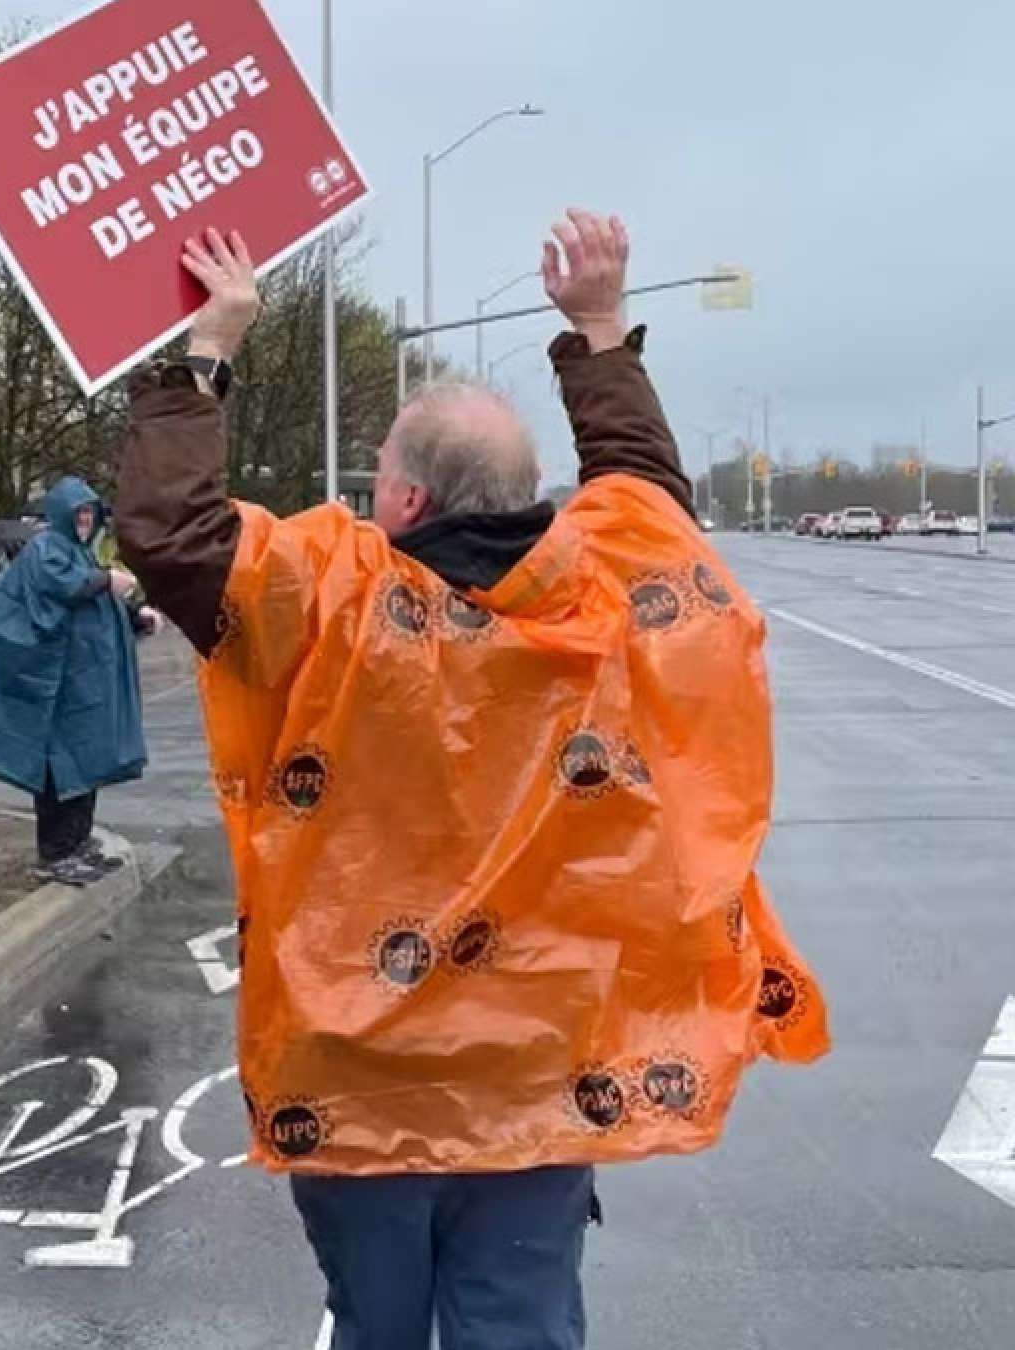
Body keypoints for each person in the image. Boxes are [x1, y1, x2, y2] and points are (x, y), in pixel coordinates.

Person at [115, 214, 830, 1349]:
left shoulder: (330, 608)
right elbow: (646, 490)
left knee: (377, 1325)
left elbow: (171, 533)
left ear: (403, 503)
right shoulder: (609, 600)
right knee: (523, 1326)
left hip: (353, 1080)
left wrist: (208, 349)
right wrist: (596, 329)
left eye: (380, 474)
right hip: (540, 1084)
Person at [0, 475, 147, 886]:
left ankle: (76, 843)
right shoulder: (48, 550)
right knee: (62, 768)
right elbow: (62, 589)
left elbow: (92, 602)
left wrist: (134, 616)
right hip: (62, 687)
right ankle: (56, 851)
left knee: (87, 765)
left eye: (88, 513)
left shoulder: (78, 552)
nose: (84, 519)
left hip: (84, 684)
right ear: (62, 513)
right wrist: (105, 581)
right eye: (78, 512)